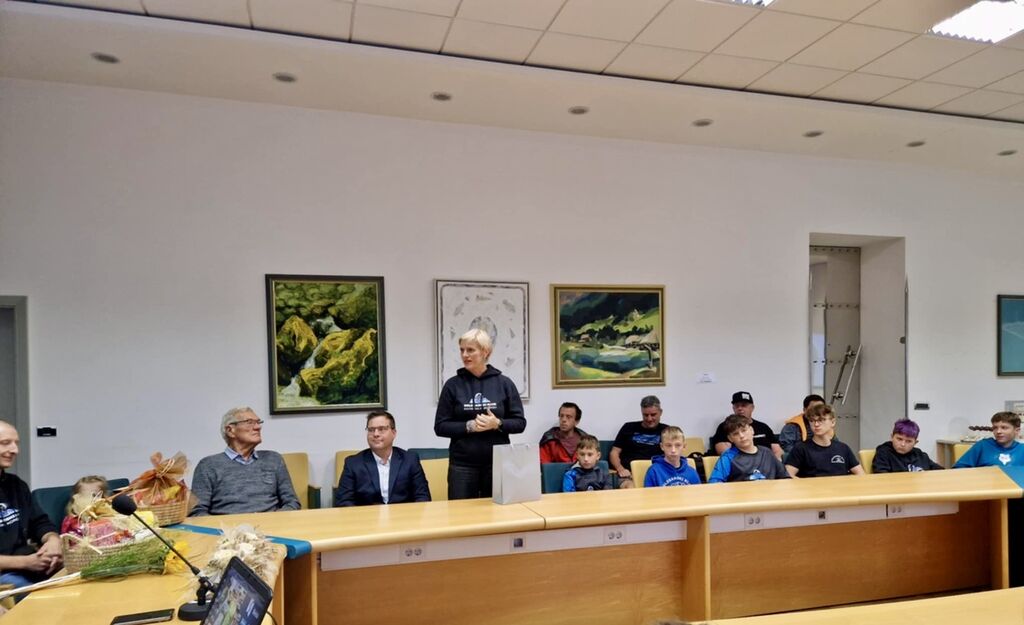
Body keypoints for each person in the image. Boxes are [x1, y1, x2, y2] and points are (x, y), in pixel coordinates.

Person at [434, 329, 526, 499]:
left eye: (470, 350)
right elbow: (440, 427)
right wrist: (469, 426)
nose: (465, 355)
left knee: (496, 512)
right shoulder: (452, 385)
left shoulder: (504, 383)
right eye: (462, 350)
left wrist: (497, 423)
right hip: (462, 465)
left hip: (497, 463)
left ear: (485, 352)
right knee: (461, 513)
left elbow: (520, 423)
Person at [190, 406, 300, 516]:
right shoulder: (208, 465)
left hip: (271, 524)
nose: (258, 427)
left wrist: (274, 520)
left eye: (258, 422)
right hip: (227, 526)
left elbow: (292, 502)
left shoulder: (273, 459)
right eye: (249, 422)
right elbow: (197, 511)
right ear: (230, 430)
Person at [0, 421, 62, 597]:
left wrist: (52, 541)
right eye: (5, 443)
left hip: (27, 564)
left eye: (16, 443)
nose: (15, 450)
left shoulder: (17, 485)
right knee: (42, 598)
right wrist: (26, 562)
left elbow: (39, 523)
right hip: (7, 575)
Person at [335, 410, 431, 506]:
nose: (375, 434)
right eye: (371, 430)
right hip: (367, 515)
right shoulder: (353, 463)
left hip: (403, 514)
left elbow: (423, 496)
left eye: (381, 429)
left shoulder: (410, 460)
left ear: (394, 433)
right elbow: (344, 501)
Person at [785, 403, 864, 478]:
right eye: (812, 421)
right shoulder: (801, 448)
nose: (816, 424)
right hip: (813, 487)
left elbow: (861, 474)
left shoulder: (843, 448)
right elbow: (788, 475)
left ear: (832, 422)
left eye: (821, 420)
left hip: (840, 486)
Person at [609, 395, 671, 488]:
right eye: (645, 415)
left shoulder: (667, 430)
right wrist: (620, 469)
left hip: (657, 474)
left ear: (660, 412)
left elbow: (673, 454)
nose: (649, 419)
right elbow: (614, 453)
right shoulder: (628, 427)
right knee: (630, 488)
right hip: (629, 475)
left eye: (653, 415)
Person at [708, 415, 789, 482]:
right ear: (730, 438)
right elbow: (715, 484)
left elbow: (785, 477)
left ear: (752, 430)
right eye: (735, 434)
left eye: (744, 430)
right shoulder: (728, 457)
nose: (741, 436)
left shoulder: (767, 452)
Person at [709, 391, 782, 459]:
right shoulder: (726, 427)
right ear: (733, 408)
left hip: (767, 463)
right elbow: (724, 451)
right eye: (737, 406)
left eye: (744, 405)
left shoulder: (763, 427)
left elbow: (777, 450)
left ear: (752, 408)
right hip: (740, 464)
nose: (740, 408)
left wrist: (775, 464)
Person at [953, 411, 1024, 468]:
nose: (998, 431)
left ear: (1017, 431)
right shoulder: (982, 446)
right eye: (995, 428)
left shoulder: (1022, 449)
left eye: (1004, 428)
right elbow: (958, 468)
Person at [873, 419, 943, 473]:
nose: (903, 444)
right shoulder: (883, 452)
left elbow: (941, 471)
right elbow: (881, 476)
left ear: (915, 442)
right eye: (899, 439)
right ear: (892, 437)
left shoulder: (920, 455)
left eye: (908, 441)